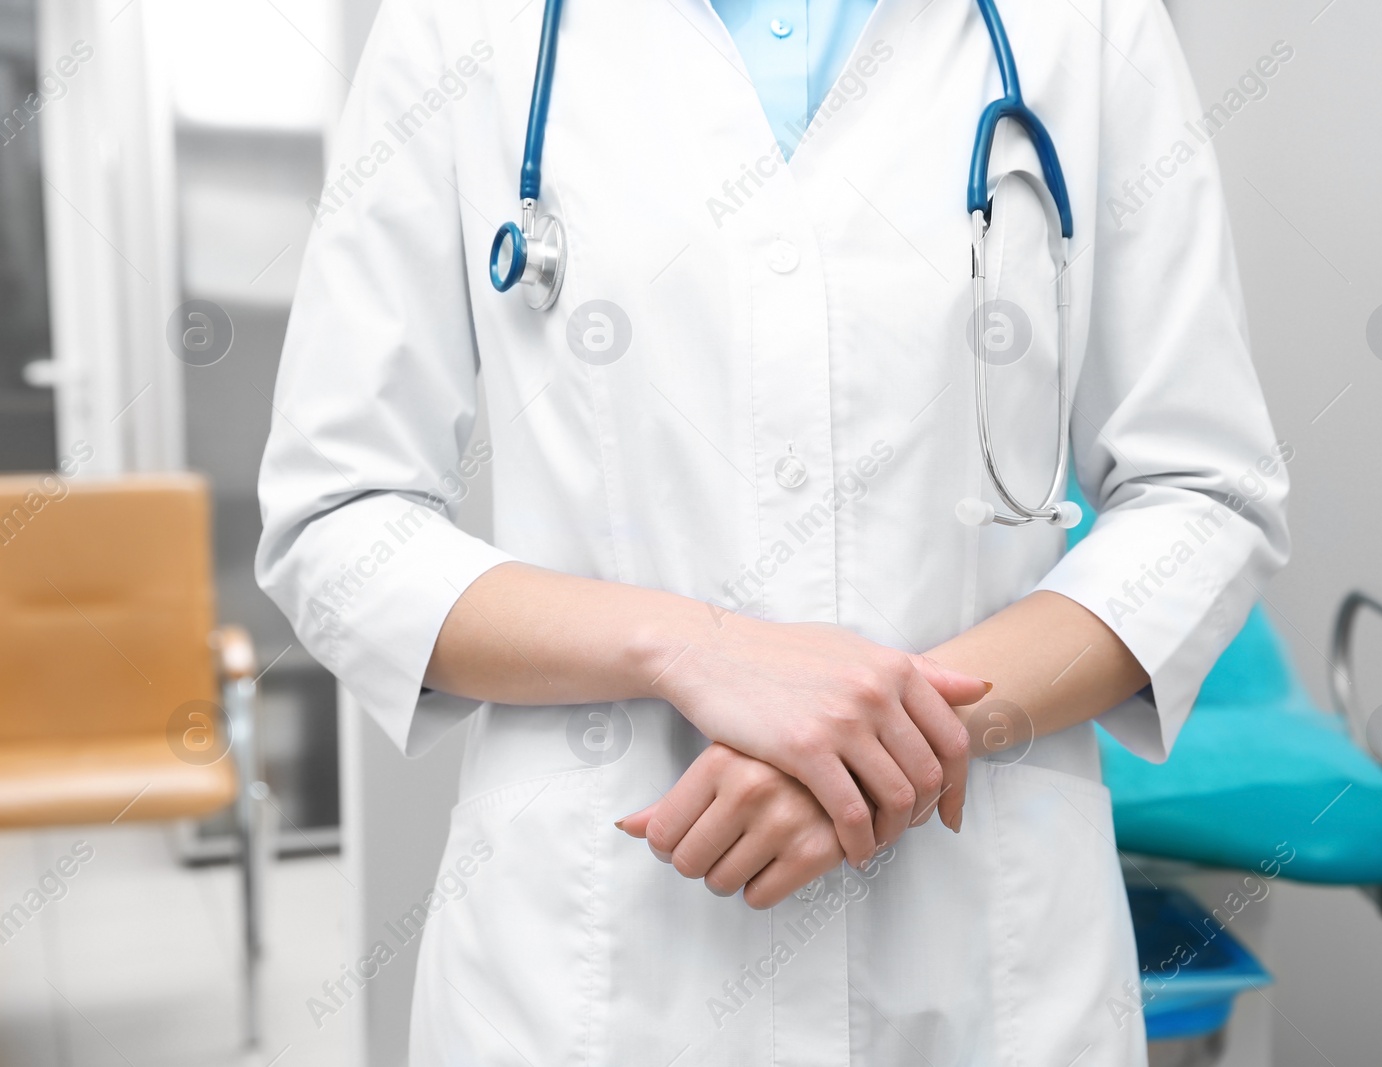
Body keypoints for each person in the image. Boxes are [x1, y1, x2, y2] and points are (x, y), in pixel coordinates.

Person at [257, 0, 1289, 1063]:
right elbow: (339, 516)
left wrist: (877, 747)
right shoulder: (460, 25)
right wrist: (694, 645)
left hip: (976, 952)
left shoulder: (1083, 23)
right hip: (598, 963)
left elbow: (1202, 493)